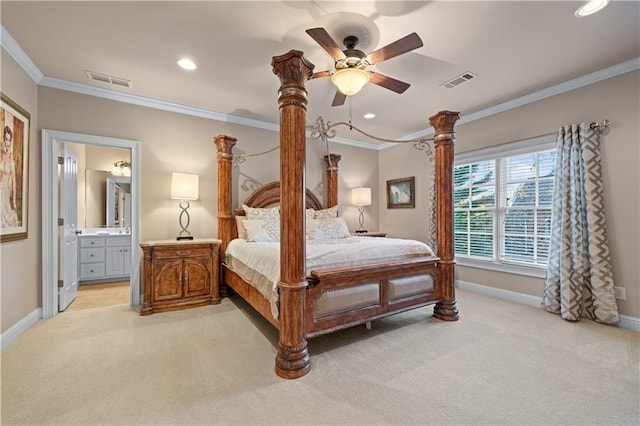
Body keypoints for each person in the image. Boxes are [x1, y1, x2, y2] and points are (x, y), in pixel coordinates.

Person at [1, 125, 19, 227]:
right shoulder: (0, 155)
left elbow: (14, 182)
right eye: (6, 139)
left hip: (6, 192)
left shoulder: (12, 161)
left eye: (9, 140)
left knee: (8, 220)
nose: (8, 143)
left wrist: (14, 202)